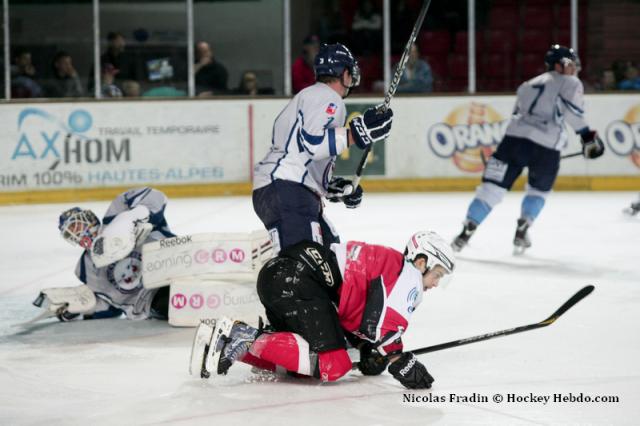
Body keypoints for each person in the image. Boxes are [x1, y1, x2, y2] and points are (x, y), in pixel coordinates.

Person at [191, 230, 456, 389]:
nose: (435, 283)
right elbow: (384, 325)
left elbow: (363, 319)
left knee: (300, 366)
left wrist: (366, 349)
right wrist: (399, 360)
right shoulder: (408, 274)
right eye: (438, 274)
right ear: (421, 262)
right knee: (334, 365)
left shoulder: (390, 266)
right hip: (298, 282)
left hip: (280, 277)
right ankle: (244, 337)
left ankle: (229, 343)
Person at [451, 45, 605, 254]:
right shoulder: (570, 82)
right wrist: (587, 137)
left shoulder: (526, 85)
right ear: (559, 65)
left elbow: (517, 114)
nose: (573, 70)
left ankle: (468, 228)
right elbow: (572, 113)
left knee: (491, 188)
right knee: (538, 190)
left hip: (512, 142)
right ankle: (524, 225)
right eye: (569, 65)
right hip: (547, 147)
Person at [252, 43, 394, 254]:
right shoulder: (327, 97)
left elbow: (301, 154)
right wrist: (359, 131)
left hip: (283, 188)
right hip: (287, 189)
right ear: (345, 74)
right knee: (306, 267)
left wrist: (332, 187)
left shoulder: (310, 96)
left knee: (331, 253)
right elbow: (313, 144)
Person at [35, 187, 176, 322]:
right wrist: (81, 311)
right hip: (152, 298)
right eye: (71, 233)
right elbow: (112, 305)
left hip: (177, 262)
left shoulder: (117, 214)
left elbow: (155, 196)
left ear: (89, 218)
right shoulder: (86, 268)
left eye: (77, 226)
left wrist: (133, 216)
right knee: (174, 300)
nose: (78, 234)